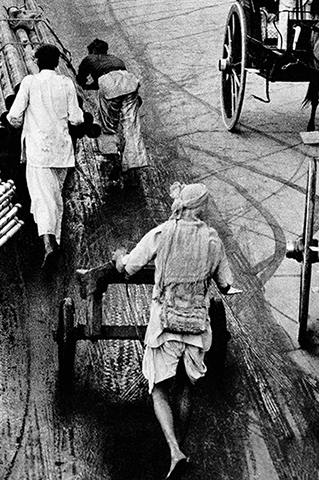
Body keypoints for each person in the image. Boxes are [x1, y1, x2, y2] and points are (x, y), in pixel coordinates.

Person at [112, 182, 234, 479]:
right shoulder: (212, 240)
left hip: (165, 325)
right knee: (187, 388)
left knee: (159, 388)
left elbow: (128, 269)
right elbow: (226, 284)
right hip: (195, 326)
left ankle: (173, 447)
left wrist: (119, 257)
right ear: (203, 209)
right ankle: (183, 444)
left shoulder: (161, 233)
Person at [6, 44, 84, 262]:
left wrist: (23, 124)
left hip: (39, 150)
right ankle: (55, 241)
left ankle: (48, 243)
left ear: (37, 62)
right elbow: (76, 118)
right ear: (57, 62)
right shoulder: (66, 83)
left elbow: (13, 117)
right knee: (55, 197)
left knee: (42, 198)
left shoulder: (30, 82)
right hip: (62, 150)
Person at [77, 39, 147, 179]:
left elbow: (81, 80)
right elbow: (118, 82)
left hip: (109, 85)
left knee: (107, 124)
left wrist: (84, 86)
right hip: (129, 83)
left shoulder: (89, 58)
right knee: (131, 126)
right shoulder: (116, 60)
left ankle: (112, 156)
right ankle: (133, 165)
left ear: (92, 50)